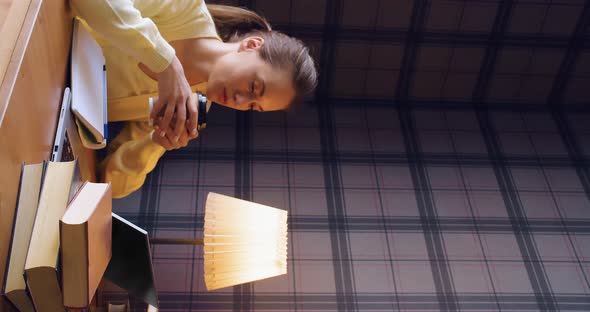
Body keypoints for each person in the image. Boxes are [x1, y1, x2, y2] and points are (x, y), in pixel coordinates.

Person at [69, 0, 318, 198]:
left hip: (54, 109)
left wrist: (155, 142)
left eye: (253, 106)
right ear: (251, 45)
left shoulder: (190, 108)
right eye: (254, 87)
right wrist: (166, 63)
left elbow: (109, 183)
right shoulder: (187, 9)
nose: (240, 101)